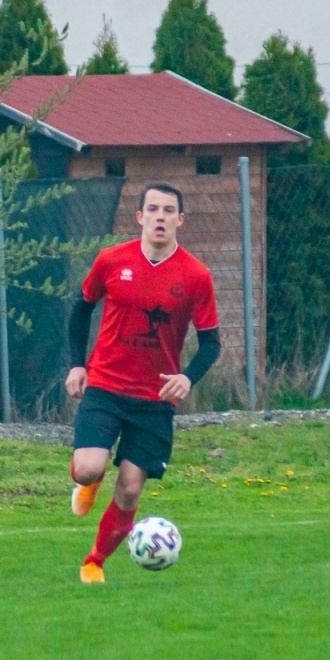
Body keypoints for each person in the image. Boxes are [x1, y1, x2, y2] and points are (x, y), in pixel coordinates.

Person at [65, 182, 221, 583]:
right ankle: (90, 481)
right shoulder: (111, 260)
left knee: (131, 490)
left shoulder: (196, 276)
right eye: (152, 209)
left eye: (169, 210)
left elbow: (211, 344)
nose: (160, 217)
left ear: (180, 220)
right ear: (139, 217)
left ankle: (94, 561)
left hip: (154, 401)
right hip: (105, 387)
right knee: (85, 469)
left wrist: (188, 377)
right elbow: (81, 310)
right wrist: (76, 365)